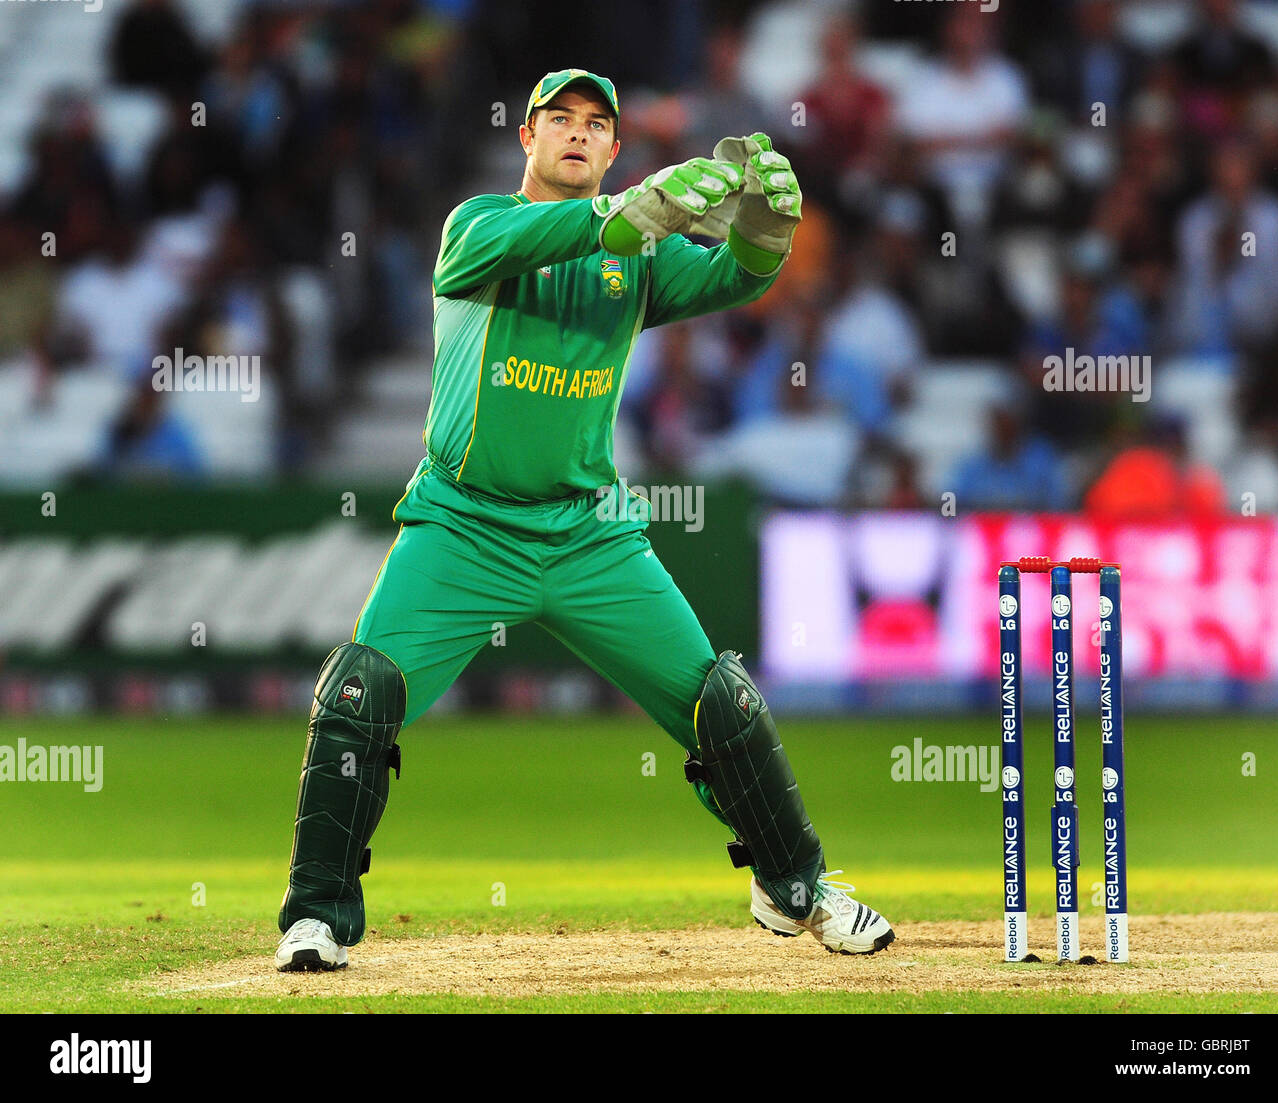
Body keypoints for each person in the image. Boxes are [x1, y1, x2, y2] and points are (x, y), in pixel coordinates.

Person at [274, 69, 895, 971]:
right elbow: (571, 231)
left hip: (590, 533)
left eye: (595, 125)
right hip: (464, 525)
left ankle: (793, 886)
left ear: (612, 150)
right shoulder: (477, 227)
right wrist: (629, 213)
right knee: (360, 692)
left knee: (723, 702)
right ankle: (316, 915)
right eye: (557, 120)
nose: (575, 133)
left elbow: (741, 275)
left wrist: (766, 227)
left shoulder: (634, 260)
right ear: (526, 139)